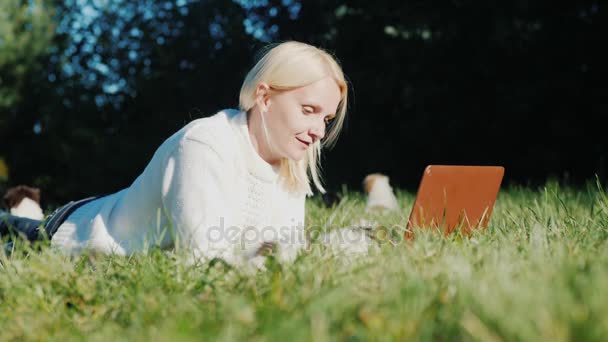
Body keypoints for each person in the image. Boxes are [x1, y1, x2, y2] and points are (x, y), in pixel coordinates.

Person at [0, 41, 349, 268]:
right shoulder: (204, 145)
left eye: (326, 118)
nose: (319, 130)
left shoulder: (292, 165)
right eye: (308, 110)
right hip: (66, 237)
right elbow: (204, 259)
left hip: (110, 216)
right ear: (265, 97)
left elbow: (284, 256)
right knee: (10, 231)